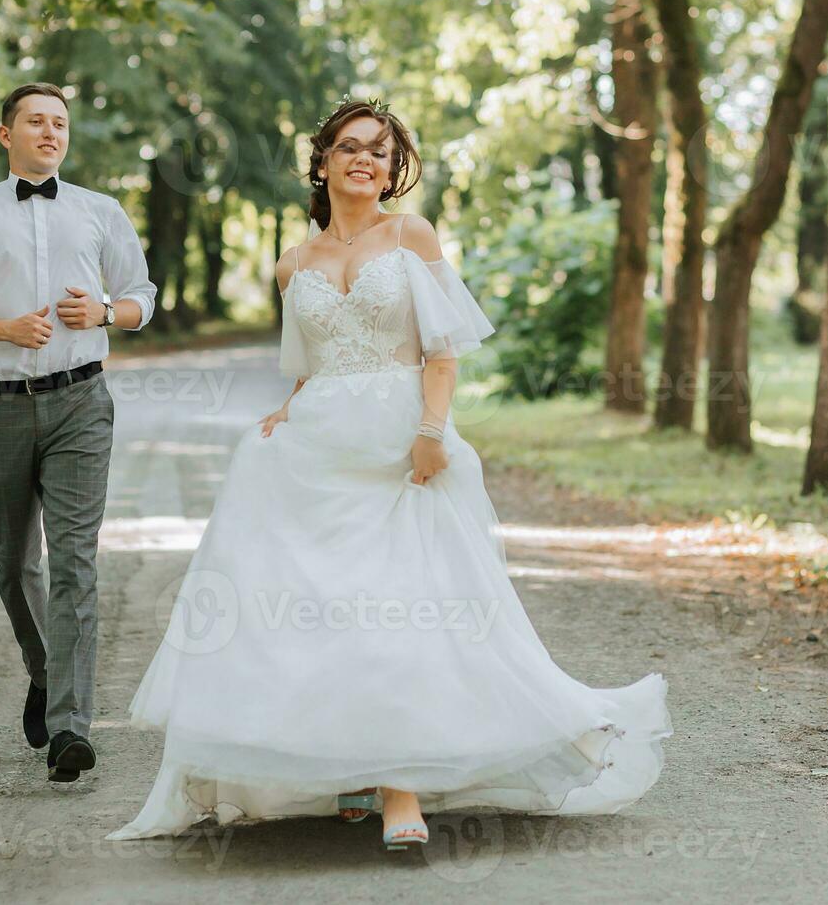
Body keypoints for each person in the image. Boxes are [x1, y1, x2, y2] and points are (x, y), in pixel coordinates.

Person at [105, 97, 672, 850]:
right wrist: (285, 412)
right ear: (324, 162)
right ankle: (348, 772)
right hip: (316, 449)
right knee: (323, 610)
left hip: (401, 442)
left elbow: (442, 350)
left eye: (379, 150)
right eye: (349, 147)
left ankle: (401, 785)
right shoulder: (291, 265)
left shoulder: (412, 236)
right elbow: (309, 365)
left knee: (397, 605)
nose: (364, 159)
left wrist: (431, 433)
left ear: (391, 168)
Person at [0, 82, 157, 783]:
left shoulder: (99, 212)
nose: (51, 133)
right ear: (5, 135)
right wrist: (2, 328)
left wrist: (107, 312)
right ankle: (45, 673)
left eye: (60, 124)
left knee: (75, 562)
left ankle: (72, 728)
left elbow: (144, 297)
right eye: (36, 122)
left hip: (81, 401)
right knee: (13, 559)